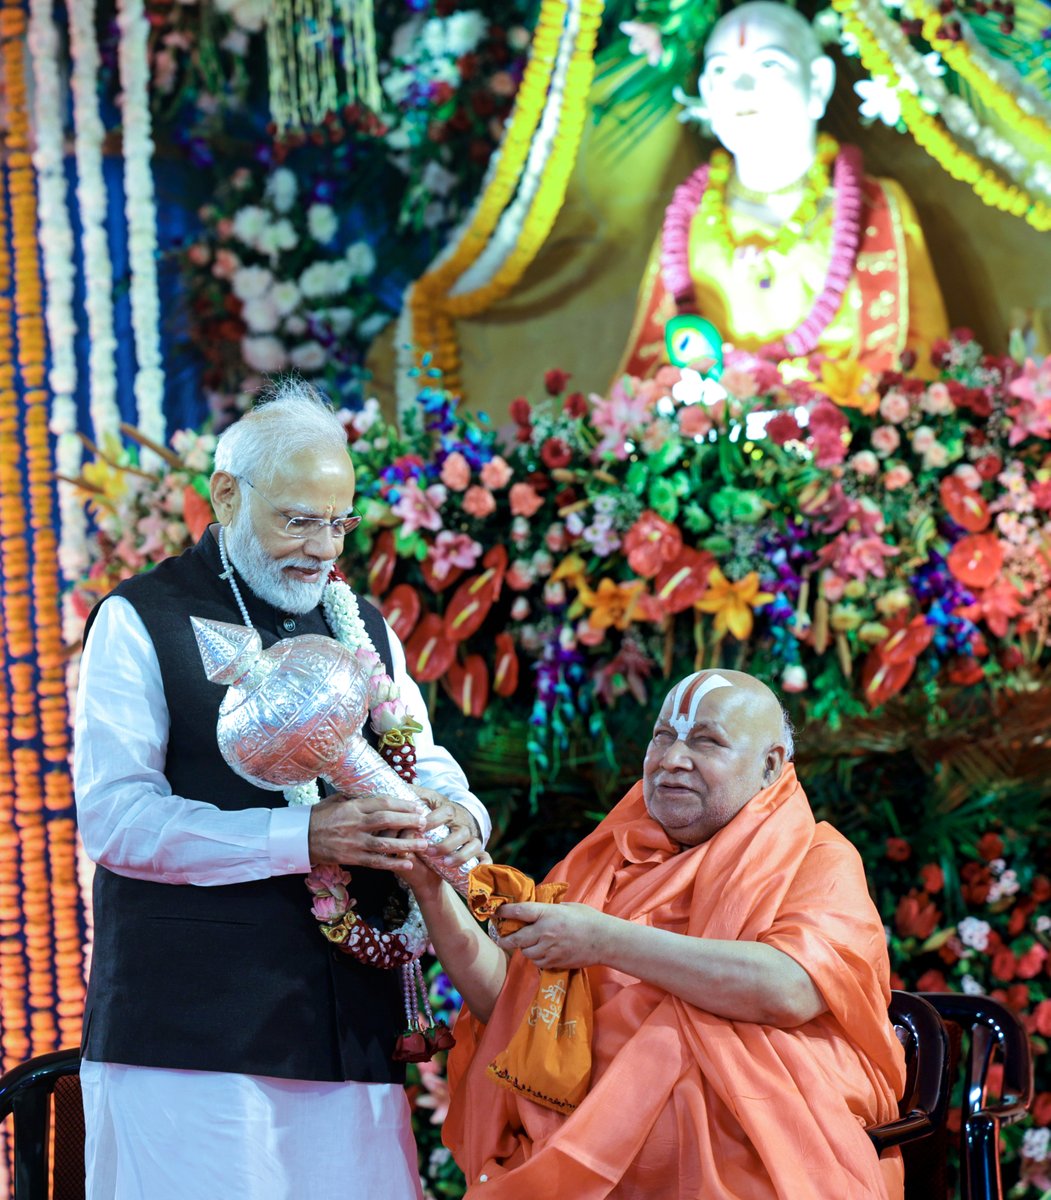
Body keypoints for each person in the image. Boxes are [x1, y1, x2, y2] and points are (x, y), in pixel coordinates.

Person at [73, 380, 488, 1199]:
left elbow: (423, 759)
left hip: (348, 1028)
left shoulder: (361, 622)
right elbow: (118, 821)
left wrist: (458, 813)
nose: (322, 549)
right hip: (191, 1036)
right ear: (226, 495)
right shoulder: (140, 617)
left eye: (339, 523)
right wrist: (300, 840)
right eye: (298, 519)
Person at [406, 669, 907, 1198]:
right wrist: (430, 890)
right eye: (663, 736)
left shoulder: (818, 858)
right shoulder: (605, 858)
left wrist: (606, 941)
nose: (672, 759)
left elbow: (789, 989)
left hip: (748, 1147)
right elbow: (512, 1008)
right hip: (570, 1149)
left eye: (706, 741)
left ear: (771, 767)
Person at [617, 1, 948, 379]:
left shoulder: (874, 207)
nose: (742, 88)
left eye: (769, 64)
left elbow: (919, 365)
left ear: (818, 82)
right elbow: (649, 374)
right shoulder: (688, 219)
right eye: (722, 69)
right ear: (706, 91)